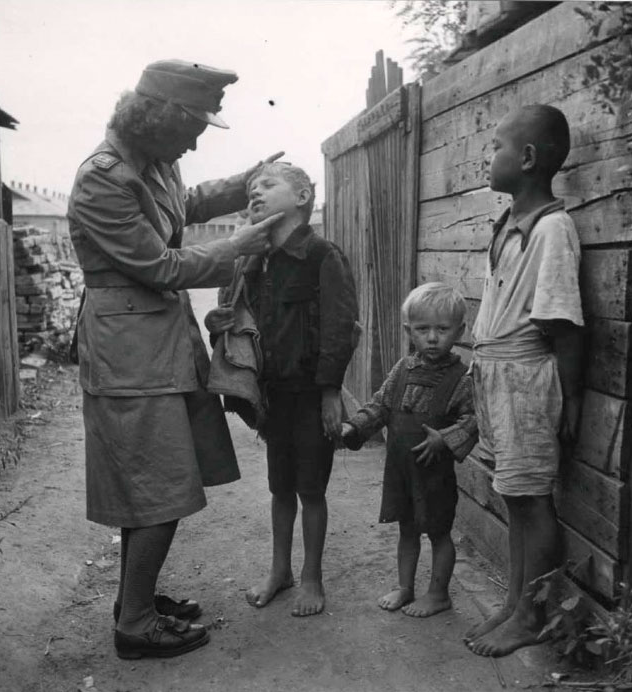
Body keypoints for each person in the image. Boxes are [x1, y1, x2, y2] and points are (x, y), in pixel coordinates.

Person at [67, 58, 285, 660]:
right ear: (161, 116)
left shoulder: (154, 160)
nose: (196, 138)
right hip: (130, 355)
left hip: (158, 344)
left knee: (155, 484)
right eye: (194, 124)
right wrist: (235, 246)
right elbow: (158, 266)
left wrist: (246, 180)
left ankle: (134, 601)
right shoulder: (103, 177)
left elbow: (183, 203)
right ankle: (134, 626)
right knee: (158, 486)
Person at [206, 163, 359, 616]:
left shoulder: (321, 255)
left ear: (303, 196)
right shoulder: (253, 262)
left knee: (311, 490)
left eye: (267, 186)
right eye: (250, 188)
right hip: (273, 397)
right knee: (279, 489)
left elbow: (340, 327)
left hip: (312, 396)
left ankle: (311, 577)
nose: (255, 193)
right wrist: (219, 323)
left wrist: (331, 392)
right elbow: (239, 321)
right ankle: (280, 570)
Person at [464, 105, 584, 657]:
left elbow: (561, 323)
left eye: (496, 147)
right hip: (496, 376)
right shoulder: (510, 223)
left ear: (528, 158)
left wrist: (572, 398)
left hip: (527, 380)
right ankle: (516, 602)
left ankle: (533, 614)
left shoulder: (552, 229)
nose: (488, 157)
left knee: (533, 500)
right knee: (514, 496)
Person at [341, 283, 478, 617]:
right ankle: (405, 587)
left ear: (459, 331)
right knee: (407, 530)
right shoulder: (402, 369)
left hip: (434, 475)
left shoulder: (463, 378)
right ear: (408, 331)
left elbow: (475, 420)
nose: (432, 338)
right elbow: (380, 405)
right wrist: (354, 427)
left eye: (442, 329)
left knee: (439, 533)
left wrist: (444, 438)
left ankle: (438, 593)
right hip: (401, 469)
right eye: (423, 329)